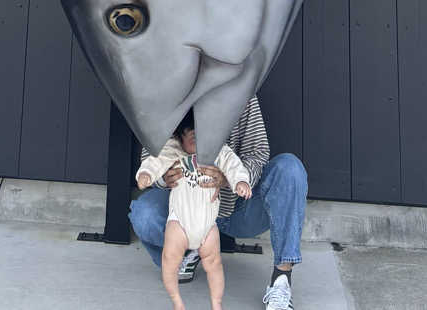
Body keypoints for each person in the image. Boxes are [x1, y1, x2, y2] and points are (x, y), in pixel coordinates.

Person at [129, 97, 306, 310]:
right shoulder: (172, 89)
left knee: (289, 168)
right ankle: (188, 251)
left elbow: (258, 153)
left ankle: (281, 278)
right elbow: (152, 155)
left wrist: (232, 180)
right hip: (187, 209)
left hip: (239, 209)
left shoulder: (240, 89)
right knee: (144, 214)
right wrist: (162, 178)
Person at [136, 109, 252, 310]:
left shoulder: (217, 150)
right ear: (180, 138)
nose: (200, 143)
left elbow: (234, 165)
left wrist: (240, 181)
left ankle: (216, 303)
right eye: (193, 138)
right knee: (170, 260)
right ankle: (177, 301)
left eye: (204, 136)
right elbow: (155, 161)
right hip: (180, 222)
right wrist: (146, 174)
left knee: (214, 263)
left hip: (208, 225)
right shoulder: (173, 150)